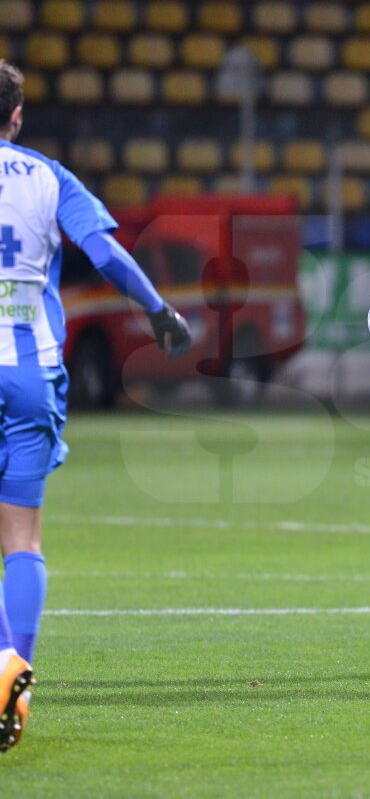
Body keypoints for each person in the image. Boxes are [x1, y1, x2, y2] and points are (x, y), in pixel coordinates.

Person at [0, 60, 192, 752]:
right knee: (20, 538)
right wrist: (159, 308)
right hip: (29, 372)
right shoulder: (49, 177)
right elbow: (105, 253)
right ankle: (11, 665)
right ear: (17, 115)